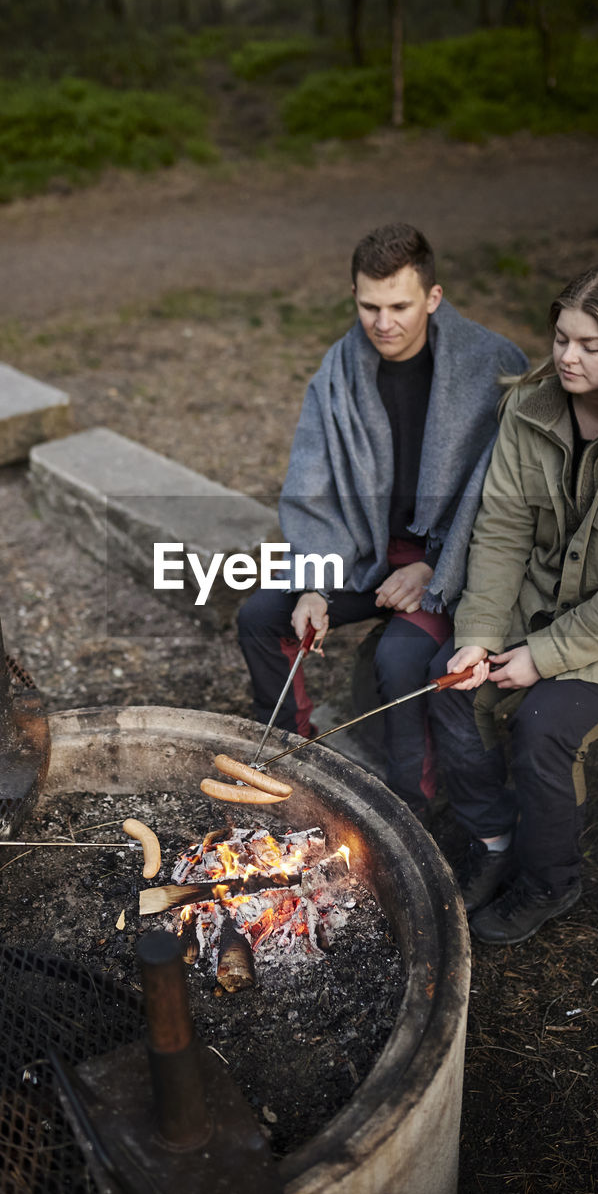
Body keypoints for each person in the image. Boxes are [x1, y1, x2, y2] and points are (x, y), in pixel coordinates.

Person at [237, 223, 527, 820]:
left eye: (399, 305)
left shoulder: (493, 364)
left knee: (400, 660)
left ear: (434, 297)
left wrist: (432, 565)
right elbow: (312, 487)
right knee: (262, 616)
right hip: (365, 553)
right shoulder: (340, 368)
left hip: (451, 561)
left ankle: (407, 814)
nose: (383, 323)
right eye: (368, 306)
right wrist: (316, 583)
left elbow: (503, 497)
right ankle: (295, 760)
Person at [428, 261, 598, 944]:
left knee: (542, 727)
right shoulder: (528, 411)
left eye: (591, 346)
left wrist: (545, 655)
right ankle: (492, 836)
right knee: (449, 682)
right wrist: (476, 634)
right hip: (542, 605)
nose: (566, 357)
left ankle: (549, 879)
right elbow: (499, 534)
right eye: (561, 337)